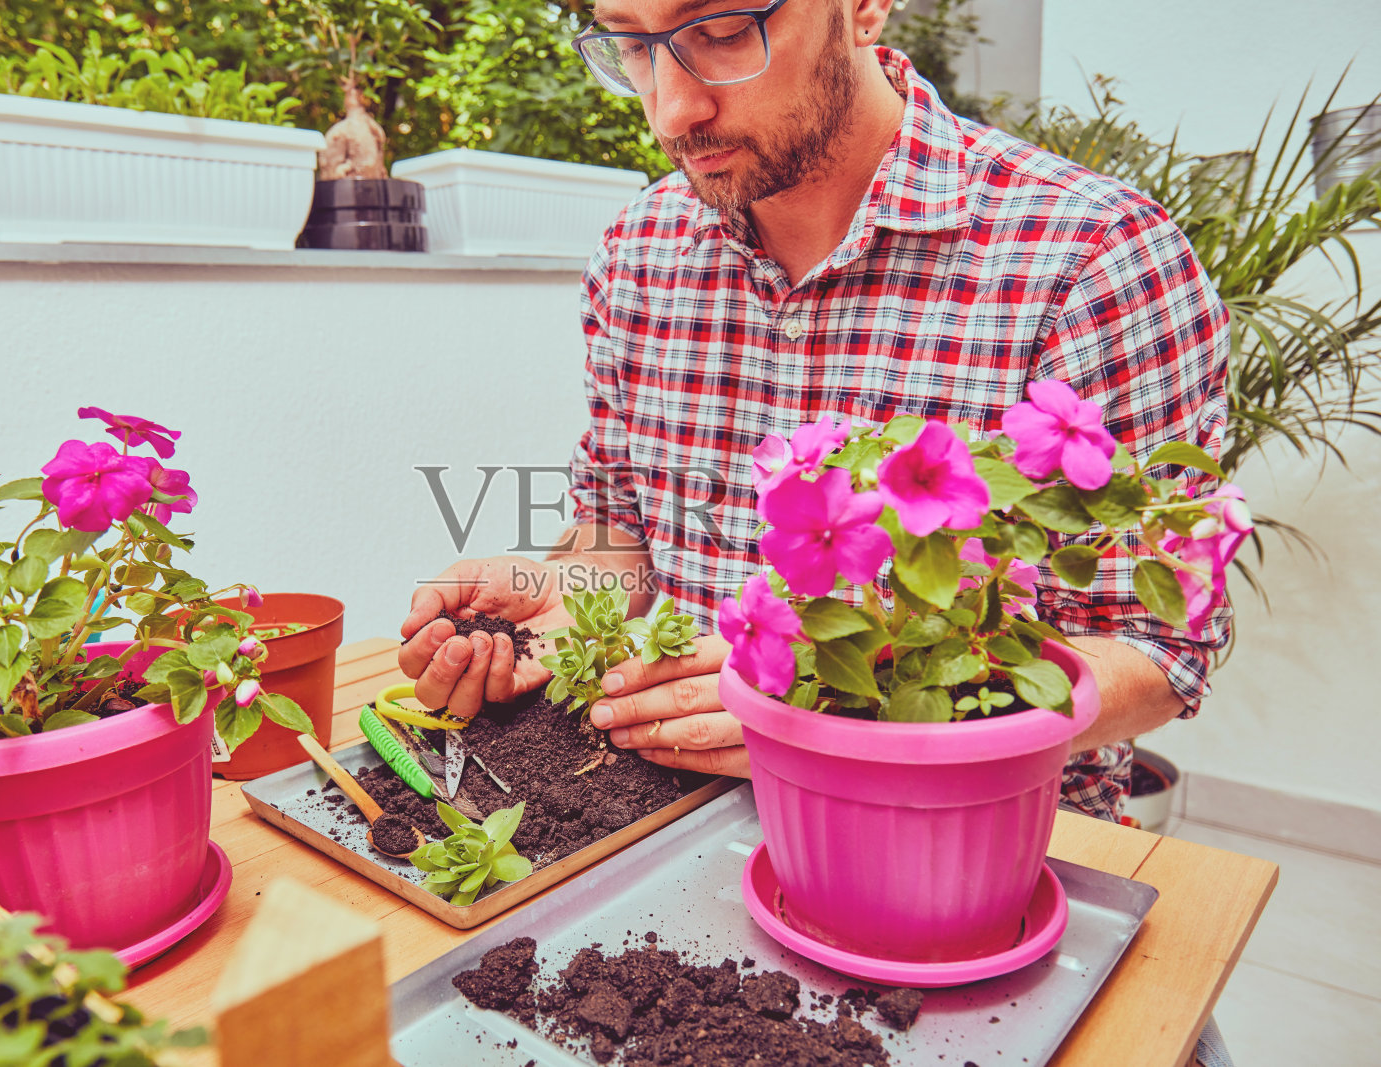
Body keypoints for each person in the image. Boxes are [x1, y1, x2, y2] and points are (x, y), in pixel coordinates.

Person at [398, 0, 1230, 826]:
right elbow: (622, 531)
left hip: (959, 850)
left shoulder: (1091, 257)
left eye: (722, 32)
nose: (673, 108)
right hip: (671, 824)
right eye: (632, 46)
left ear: (865, 9)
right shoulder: (639, 253)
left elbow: (1157, 653)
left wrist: (830, 695)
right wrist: (562, 589)